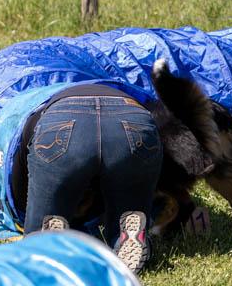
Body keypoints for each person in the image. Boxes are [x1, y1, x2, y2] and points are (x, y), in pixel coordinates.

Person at [10, 83, 163, 273]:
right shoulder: (116, 88)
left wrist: (21, 209)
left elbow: (17, 178)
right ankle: (125, 232)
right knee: (129, 199)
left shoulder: (38, 113)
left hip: (61, 121)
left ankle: (47, 232)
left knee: (40, 224)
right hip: (134, 120)